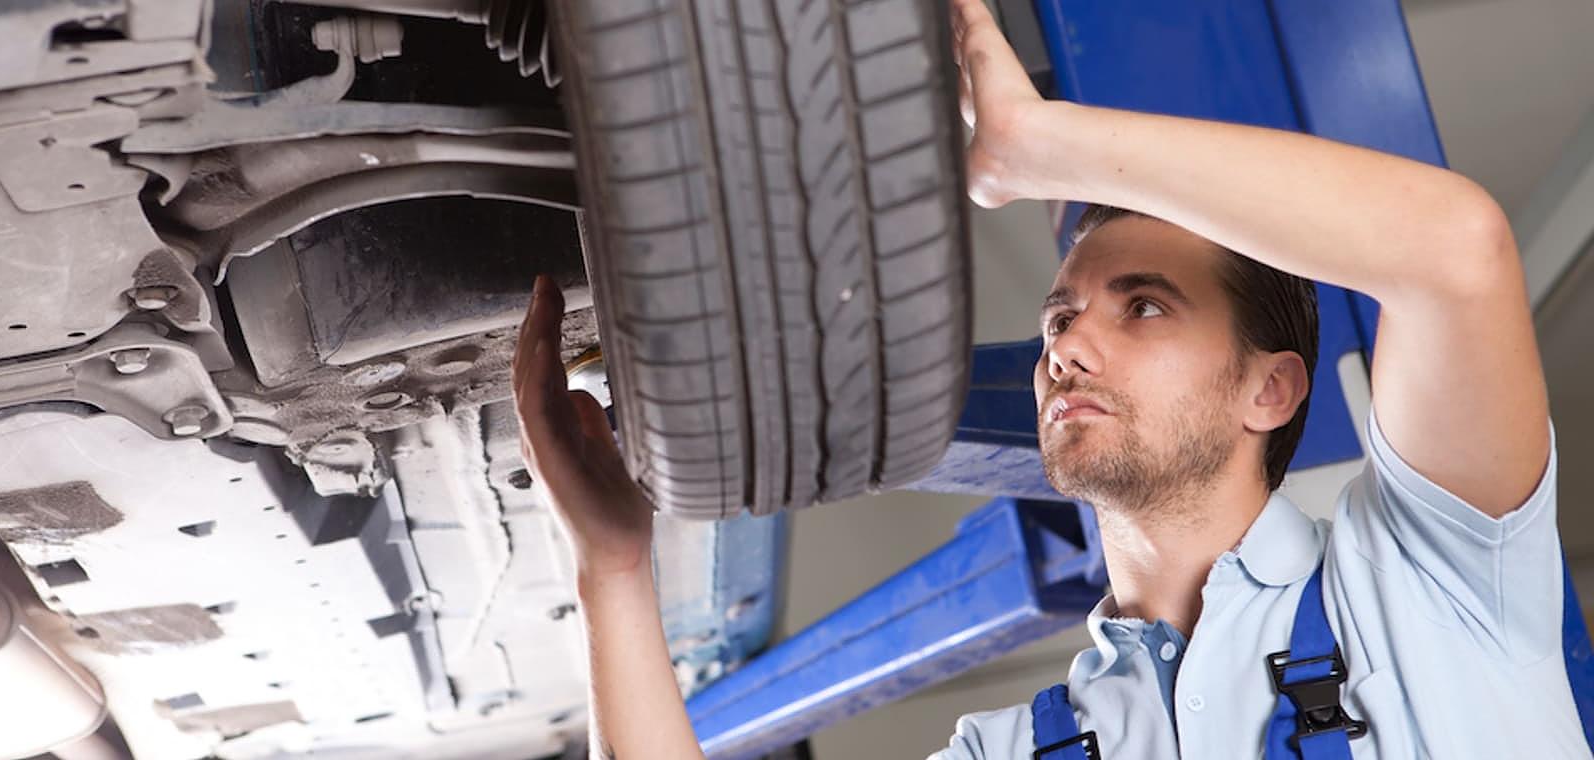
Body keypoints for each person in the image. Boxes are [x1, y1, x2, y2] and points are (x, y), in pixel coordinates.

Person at [510, 0, 1588, 757]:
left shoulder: (1436, 581)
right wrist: (609, 569)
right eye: (1061, 314)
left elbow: (1455, 250)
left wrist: (1044, 149)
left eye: (1143, 306)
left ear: (1272, 388)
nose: (1066, 343)